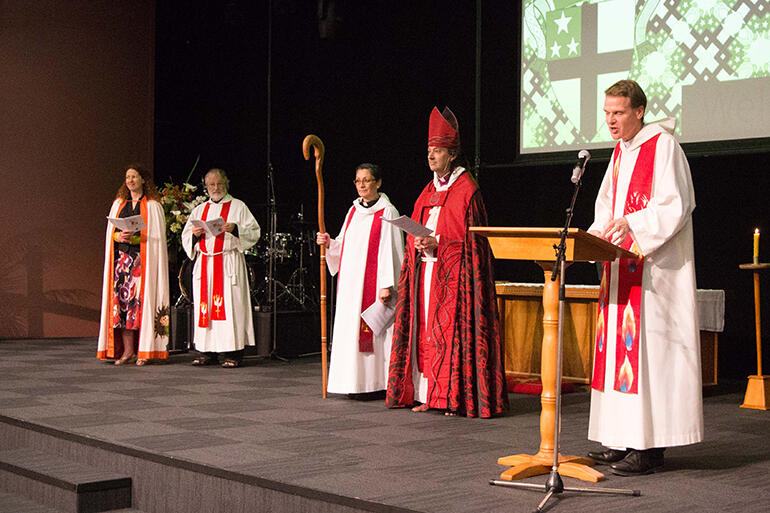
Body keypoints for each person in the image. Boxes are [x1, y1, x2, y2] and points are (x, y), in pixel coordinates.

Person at [586, 80, 703, 475]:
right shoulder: (621, 152)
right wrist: (597, 234)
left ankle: (649, 447)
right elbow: (606, 207)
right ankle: (621, 439)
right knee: (619, 357)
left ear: (639, 110)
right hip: (621, 268)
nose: (611, 121)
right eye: (606, 114)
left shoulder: (663, 146)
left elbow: (677, 204)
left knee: (648, 358)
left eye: (617, 113)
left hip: (655, 276)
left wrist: (632, 225)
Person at [386, 107, 508, 418]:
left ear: (451, 154)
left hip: (456, 279)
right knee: (425, 333)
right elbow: (417, 224)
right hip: (426, 272)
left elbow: (475, 243)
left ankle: (452, 396)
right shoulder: (428, 190)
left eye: (437, 151)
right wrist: (417, 241)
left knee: (447, 333)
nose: (431, 156)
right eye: (429, 151)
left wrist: (440, 242)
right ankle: (428, 393)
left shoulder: (468, 190)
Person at [316, 164, 404, 397]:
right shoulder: (353, 211)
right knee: (350, 332)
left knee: (374, 333)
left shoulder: (387, 211)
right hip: (351, 286)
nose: (362, 185)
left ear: (378, 182)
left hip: (374, 286)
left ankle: (375, 384)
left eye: (367, 180)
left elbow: (393, 249)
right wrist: (329, 243)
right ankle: (354, 383)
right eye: (358, 181)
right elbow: (344, 243)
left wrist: (387, 284)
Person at [182, 168, 260, 368]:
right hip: (206, 263)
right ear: (206, 187)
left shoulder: (238, 206)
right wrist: (194, 233)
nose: (215, 188)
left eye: (219, 184)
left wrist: (236, 229)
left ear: (226, 183)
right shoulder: (200, 210)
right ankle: (206, 352)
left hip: (227, 263)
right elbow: (185, 236)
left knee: (231, 307)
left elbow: (254, 232)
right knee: (205, 308)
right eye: (211, 185)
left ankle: (232, 352)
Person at [97, 164, 170, 365]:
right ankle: (127, 351)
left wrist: (137, 240)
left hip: (141, 265)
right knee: (123, 309)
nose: (130, 181)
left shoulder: (153, 206)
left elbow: (156, 239)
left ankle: (144, 350)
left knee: (140, 308)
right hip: (122, 264)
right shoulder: (119, 204)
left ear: (143, 180)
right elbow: (109, 235)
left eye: (134, 177)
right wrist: (118, 235)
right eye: (128, 177)